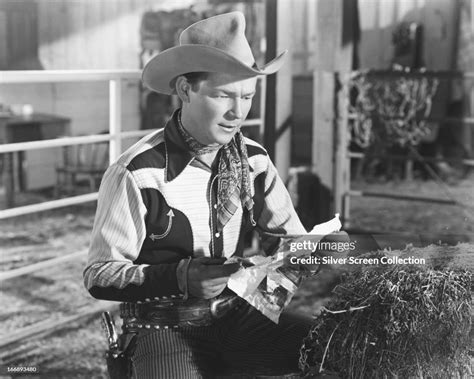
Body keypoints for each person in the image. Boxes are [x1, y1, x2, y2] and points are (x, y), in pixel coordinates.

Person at [84, 11, 314, 378]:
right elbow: (98, 276)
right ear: (185, 90)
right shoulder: (138, 173)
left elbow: (293, 241)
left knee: (333, 347)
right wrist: (180, 277)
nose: (237, 113)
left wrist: (312, 252)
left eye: (247, 96)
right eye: (223, 95)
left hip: (237, 316)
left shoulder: (253, 160)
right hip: (163, 328)